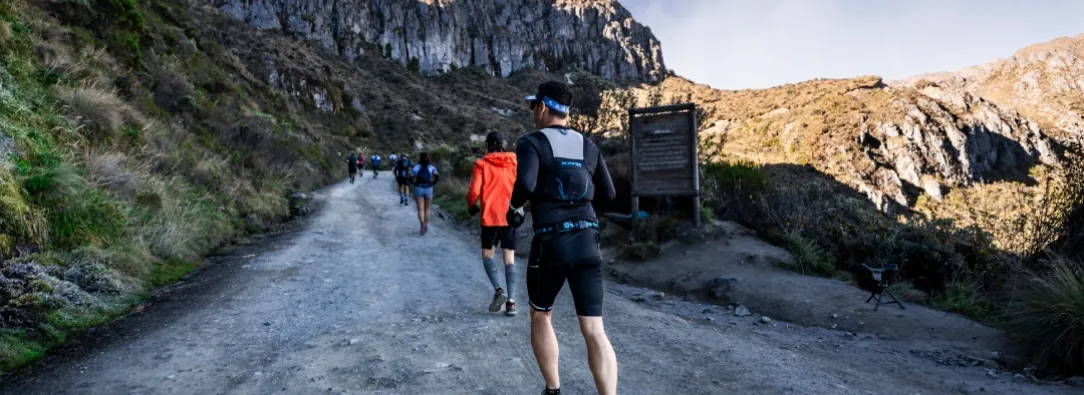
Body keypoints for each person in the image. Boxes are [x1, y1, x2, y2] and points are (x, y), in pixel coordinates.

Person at [506, 81, 618, 395]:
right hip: (587, 242)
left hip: (550, 245)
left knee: (541, 316)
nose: (532, 113)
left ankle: (553, 389)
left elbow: (526, 184)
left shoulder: (531, 142)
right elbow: (609, 194)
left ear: (541, 107)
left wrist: (514, 208)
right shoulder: (589, 145)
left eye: (533, 107)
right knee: (595, 329)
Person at [466, 132, 519, 316]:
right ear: (503, 144)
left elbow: (474, 190)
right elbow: (522, 186)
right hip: (510, 216)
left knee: (488, 255)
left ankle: (499, 290)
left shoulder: (481, 164)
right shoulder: (513, 162)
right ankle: (511, 302)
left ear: (487, 145)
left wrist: (472, 205)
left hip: (490, 217)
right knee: (509, 258)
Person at [411, 152, 439, 235]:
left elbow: (410, 177)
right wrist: (433, 182)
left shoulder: (416, 167)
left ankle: (422, 224)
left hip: (419, 188)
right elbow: (437, 176)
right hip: (429, 188)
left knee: (420, 209)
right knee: (427, 209)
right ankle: (426, 225)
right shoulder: (432, 167)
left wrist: (414, 184)